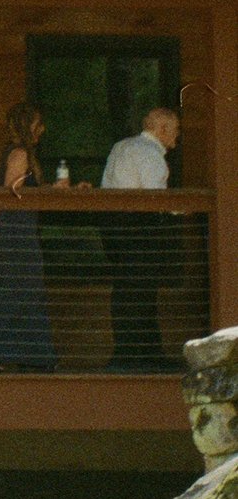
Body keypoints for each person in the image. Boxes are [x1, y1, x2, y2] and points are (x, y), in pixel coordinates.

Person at [100, 107, 179, 370]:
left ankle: (130, 353)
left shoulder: (121, 146)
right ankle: (142, 356)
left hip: (112, 226)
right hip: (139, 227)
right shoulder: (150, 153)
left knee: (125, 289)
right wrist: (179, 208)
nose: (177, 135)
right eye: (175, 129)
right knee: (142, 290)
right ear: (162, 129)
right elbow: (156, 196)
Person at [0, 102, 62, 370]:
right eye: (37, 124)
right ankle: (6, 355)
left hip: (23, 227)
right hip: (16, 230)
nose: (42, 129)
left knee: (26, 290)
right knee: (18, 289)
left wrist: (54, 189)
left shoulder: (26, 154)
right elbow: (12, 190)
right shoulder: (19, 153)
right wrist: (45, 191)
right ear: (28, 125)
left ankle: (27, 356)